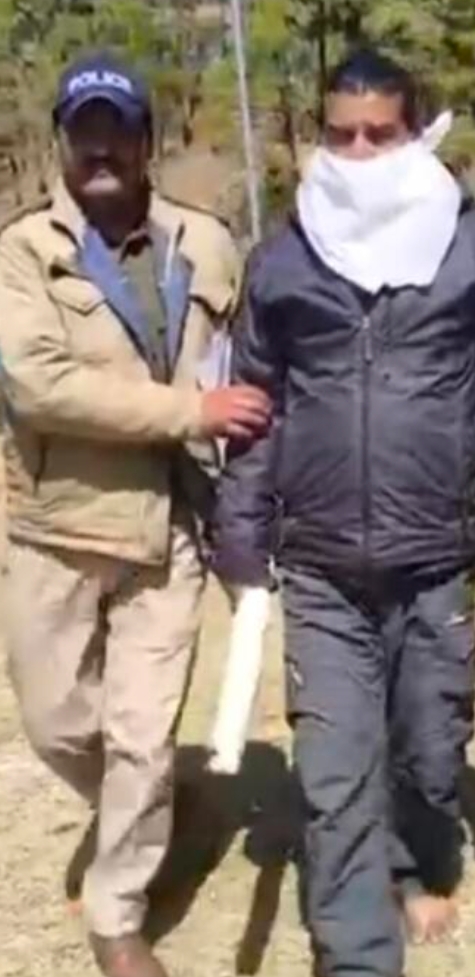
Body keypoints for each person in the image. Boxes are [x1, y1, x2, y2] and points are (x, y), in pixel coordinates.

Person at [213, 48, 475, 977]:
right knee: (335, 774)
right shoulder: (283, 259)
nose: (361, 153)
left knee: (429, 751)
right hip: (320, 564)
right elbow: (253, 406)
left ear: (417, 134)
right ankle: (358, 954)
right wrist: (241, 530)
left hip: (436, 558)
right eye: (342, 136)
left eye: (381, 134)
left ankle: (416, 861)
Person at [0, 53, 270, 977]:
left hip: (174, 526)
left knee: (143, 737)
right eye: (85, 133)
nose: (102, 150)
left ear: (147, 140)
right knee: (57, 724)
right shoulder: (21, 252)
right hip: (59, 525)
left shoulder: (207, 241)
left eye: (118, 131)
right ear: (61, 144)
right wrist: (188, 411)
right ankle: (149, 806)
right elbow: (38, 386)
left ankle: (118, 913)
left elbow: (248, 361)